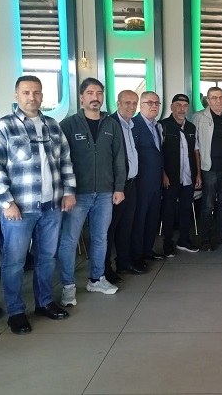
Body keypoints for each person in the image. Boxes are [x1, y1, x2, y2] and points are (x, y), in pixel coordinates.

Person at [0, 75, 76, 334]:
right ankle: (15, 312)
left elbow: (65, 162)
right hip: (20, 208)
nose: (32, 97)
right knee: (14, 262)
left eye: (36, 92)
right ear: (17, 95)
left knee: (46, 258)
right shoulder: (2, 126)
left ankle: (44, 302)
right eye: (26, 92)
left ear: (42, 96)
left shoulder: (52, 126)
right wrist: (7, 202)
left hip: (52, 205)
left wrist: (69, 192)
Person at [59, 78, 125, 306]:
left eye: (99, 93)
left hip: (105, 193)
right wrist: (66, 191)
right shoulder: (68, 125)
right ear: (81, 97)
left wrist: (119, 187)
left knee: (100, 238)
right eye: (90, 93)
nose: (95, 97)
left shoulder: (111, 125)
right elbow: (61, 160)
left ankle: (96, 279)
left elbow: (119, 158)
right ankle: (68, 286)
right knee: (69, 240)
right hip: (77, 194)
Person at [193, 86, 222, 251]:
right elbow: (195, 146)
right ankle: (205, 239)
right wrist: (197, 172)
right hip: (209, 169)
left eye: (220, 97)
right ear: (207, 100)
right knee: (208, 205)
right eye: (214, 98)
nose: (218, 100)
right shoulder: (199, 117)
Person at [106, 90, 144, 279]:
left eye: (134, 103)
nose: (131, 106)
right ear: (118, 103)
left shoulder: (131, 124)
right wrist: (117, 186)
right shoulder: (110, 124)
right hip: (116, 187)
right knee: (109, 229)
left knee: (126, 226)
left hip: (132, 183)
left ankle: (123, 263)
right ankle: (105, 270)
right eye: (127, 102)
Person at [160, 94, 201, 257]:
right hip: (170, 178)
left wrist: (198, 174)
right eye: (178, 105)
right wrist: (163, 174)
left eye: (185, 106)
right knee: (169, 211)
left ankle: (184, 240)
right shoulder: (163, 126)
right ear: (172, 107)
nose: (182, 109)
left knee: (186, 210)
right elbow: (158, 152)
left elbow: (196, 152)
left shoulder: (191, 127)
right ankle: (167, 244)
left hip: (188, 176)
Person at [132, 91, 165, 264]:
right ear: (141, 105)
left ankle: (147, 250)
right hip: (141, 182)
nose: (154, 106)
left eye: (157, 103)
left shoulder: (156, 125)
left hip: (156, 181)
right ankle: (137, 257)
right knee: (140, 220)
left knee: (152, 219)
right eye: (150, 103)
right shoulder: (134, 125)